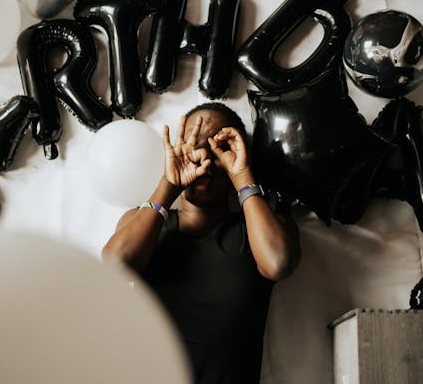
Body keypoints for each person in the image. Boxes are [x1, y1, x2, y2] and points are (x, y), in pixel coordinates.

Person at [103, 102, 301, 383]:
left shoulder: (261, 226)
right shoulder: (144, 220)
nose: (204, 161)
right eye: (194, 147)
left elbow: (278, 263)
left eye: (218, 150)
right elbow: (115, 266)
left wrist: (242, 176)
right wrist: (168, 184)